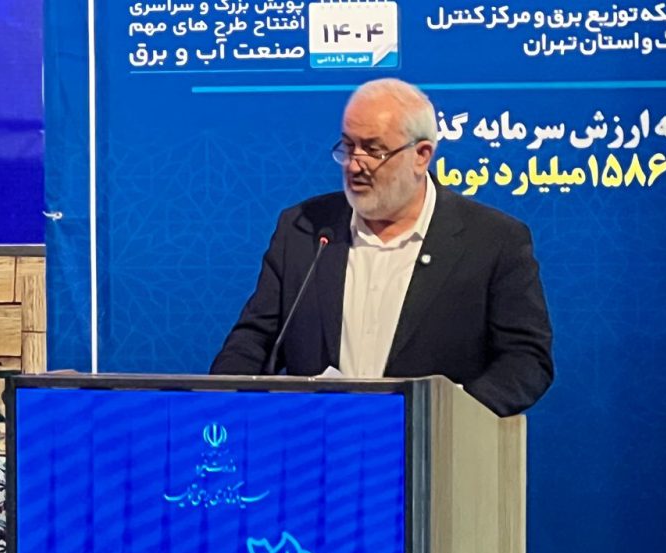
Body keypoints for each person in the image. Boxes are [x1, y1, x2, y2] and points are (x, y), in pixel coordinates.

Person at [210, 78, 553, 417]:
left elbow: (526, 359)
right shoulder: (303, 230)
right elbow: (255, 341)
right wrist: (219, 406)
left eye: (374, 150)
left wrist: (453, 414)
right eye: (348, 146)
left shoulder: (492, 240)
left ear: (421, 156)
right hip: (317, 440)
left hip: (433, 444)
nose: (354, 164)